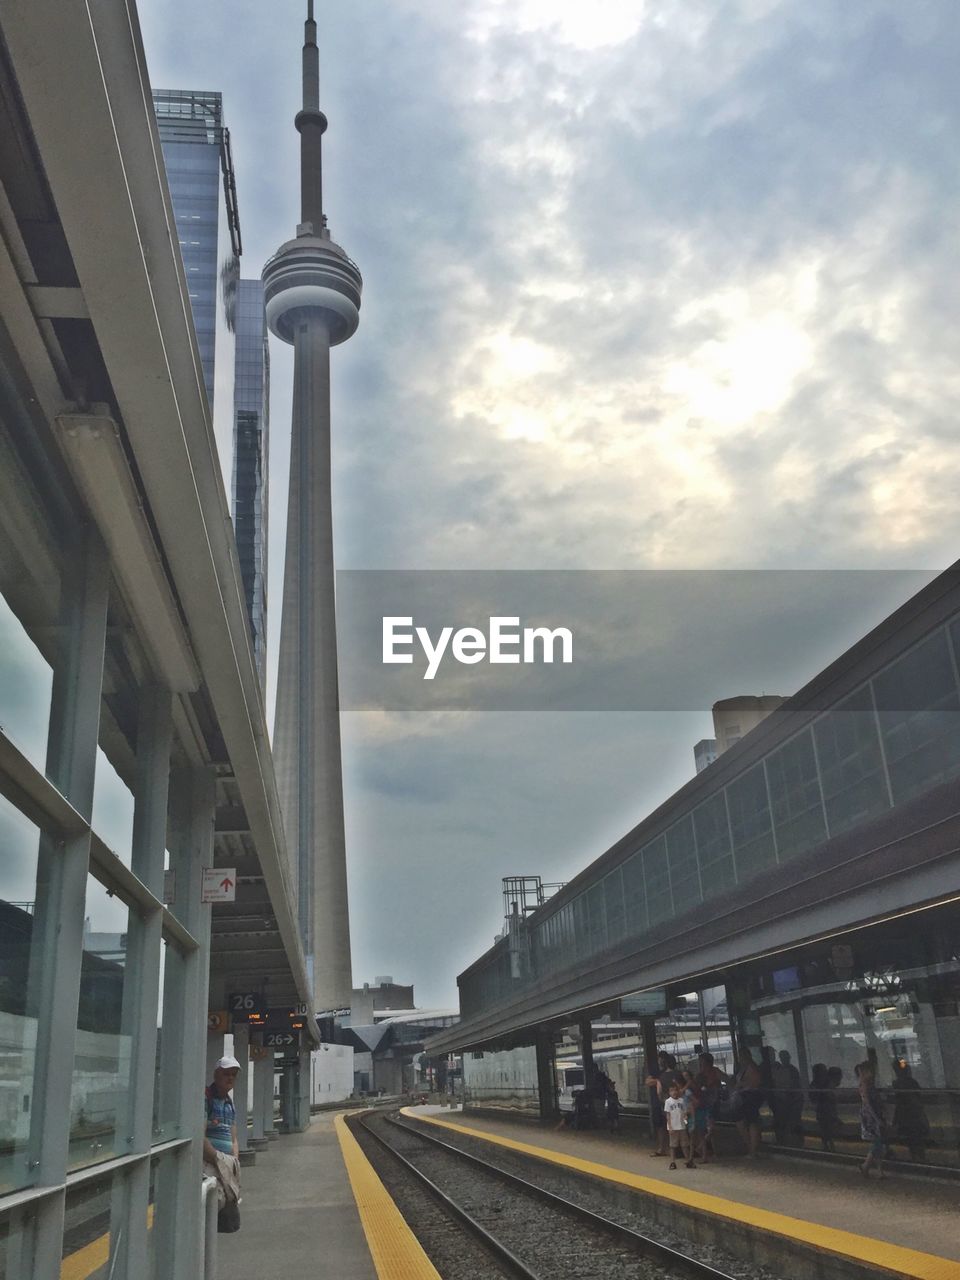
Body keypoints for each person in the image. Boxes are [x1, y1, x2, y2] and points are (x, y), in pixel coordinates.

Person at [204, 1055, 242, 1230]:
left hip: (226, 1165)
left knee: (227, 1217)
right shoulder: (206, 1098)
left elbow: (233, 1136)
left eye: (233, 1074)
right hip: (211, 1165)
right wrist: (218, 1160)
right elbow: (199, 1135)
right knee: (211, 1208)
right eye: (226, 1073)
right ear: (216, 1075)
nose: (231, 1078)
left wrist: (233, 1160)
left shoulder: (229, 1102)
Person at [891, 1060, 929, 1162]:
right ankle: (921, 1157)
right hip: (914, 1113)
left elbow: (898, 1102)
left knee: (910, 1138)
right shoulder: (912, 1082)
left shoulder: (897, 1083)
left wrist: (895, 1119)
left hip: (905, 1115)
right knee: (917, 1137)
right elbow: (918, 1097)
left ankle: (915, 1158)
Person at [645, 1051, 679, 1156]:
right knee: (663, 1125)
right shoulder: (659, 1072)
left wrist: (658, 1081)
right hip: (663, 1102)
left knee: (670, 1125)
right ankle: (664, 1148)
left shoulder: (664, 1074)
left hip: (664, 1101)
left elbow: (652, 1083)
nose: (661, 1061)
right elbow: (647, 1082)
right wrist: (658, 1081)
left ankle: (671, 1148)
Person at [856, 1060, 885, 1179]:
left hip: (870, 1116)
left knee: (877, 1142)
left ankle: (877, 1170)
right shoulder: (866, 1085)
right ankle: (867, 1165)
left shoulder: (866, 1084)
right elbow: (868, 1104)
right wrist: (877, 1118)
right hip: (871, 1117)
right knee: (877, 1141)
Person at [732, 1048, 763, 1157]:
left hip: (750, 1096)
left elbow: (756, 1082)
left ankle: (753, 1149)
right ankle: (750, 1147)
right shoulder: (743, 1068)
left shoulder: (751, 1067)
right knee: (742, 1122)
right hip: (743, 1096)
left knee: (751, 1121)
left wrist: (742, 1084)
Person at [696, 1051, 724, 1162]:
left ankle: (709, 1151)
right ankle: (705, 1151)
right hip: (706, 1103)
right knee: (708, 1128)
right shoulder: (700, 1075)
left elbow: (725, 1078)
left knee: (709, 1128)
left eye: (702, 1062)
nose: (701, 1065)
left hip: (711, 1102)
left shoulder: (712, 1072)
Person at [663, 1078, 695, 1169]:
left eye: (676, 1090)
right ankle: (672, 1162)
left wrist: (686, 1116)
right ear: (669, 1092)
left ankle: (688, 1160)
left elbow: (684, 1111)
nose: (674, 1092)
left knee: (685, 1145)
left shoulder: (681, 1101)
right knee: (673, 1145)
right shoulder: (668, 1102)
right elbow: (668, 1115)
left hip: (682, 1126)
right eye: (672, 1091)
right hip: (673, 1126)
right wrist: (669, 1126)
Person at [809, 1063, 838, 1152]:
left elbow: (833, 1095)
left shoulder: (828, 1082)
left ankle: (831, 1145)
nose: (825, 1071)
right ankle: (827, 1145)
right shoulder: (815, 1084)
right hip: (822, 1109)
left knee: (829, 1128)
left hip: (829, 1109)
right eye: (823, 1070)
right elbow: (812, 1097)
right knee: (824, 1128)